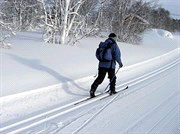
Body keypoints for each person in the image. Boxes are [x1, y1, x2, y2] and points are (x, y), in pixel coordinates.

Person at [90, 33, 123, 98]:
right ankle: (112, 90)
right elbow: (117, 55)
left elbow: (97, 54)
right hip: (110, 65)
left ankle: (92, 89)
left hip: (101, 64)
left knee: (100, 78)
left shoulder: (103, 44)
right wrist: (120, 63)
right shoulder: (114, 44)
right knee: (112, 77)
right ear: (114, 38)